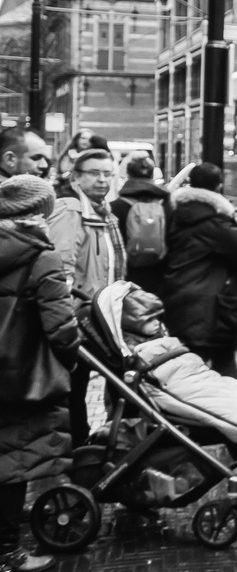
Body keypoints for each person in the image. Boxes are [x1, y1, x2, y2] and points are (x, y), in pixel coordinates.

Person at [0, 175, 79, 572]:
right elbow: (62, 328)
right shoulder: (39, 256)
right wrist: (72, 360)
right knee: (13, 463)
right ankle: (7, 553)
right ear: (41, 212)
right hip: (19, 377)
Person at [47, 148, 126, 447]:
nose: (103, 180)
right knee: (76, 388)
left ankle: (102, 442)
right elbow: (60, 269)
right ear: (76, 177)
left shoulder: (102, 211)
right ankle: (79, 451)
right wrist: (66, 319)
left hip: (100, 318)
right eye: (94, 173)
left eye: (108, 174)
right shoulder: (71, 210)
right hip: (81, 320)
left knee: (108, 382)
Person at [160, 162, 237, 379]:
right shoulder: (215, 221)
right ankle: (225, 410)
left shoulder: (172, 213)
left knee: (187, 368)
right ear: (219, 187)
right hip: (214, 307)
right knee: (224, 364)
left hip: (177, 298)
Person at [110, 155, 169, 295]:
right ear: (152, 174)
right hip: (159, 278)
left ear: (128, 174)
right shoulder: (167, 206)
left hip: (127, 279)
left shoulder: (115, 207)